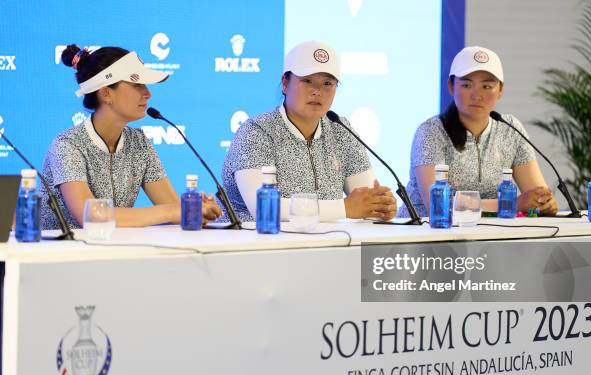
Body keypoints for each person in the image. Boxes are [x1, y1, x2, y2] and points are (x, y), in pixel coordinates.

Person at [40, 45, 221, 229]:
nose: (148, 94)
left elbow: (175, 210)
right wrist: (174, 211)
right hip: (60, 254)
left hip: (114, 252)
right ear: (106, 93)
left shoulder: (139, 142)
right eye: (137, 85)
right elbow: (92, 217)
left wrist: (196, 210)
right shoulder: (67, 145)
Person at [221, 41, 396, 222]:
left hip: (324, 243)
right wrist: (344, 208)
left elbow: (367, 199)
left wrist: (381, 206)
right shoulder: (256, 132)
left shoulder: (341, 130)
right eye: (307, 81)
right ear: (285, 84)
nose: (317, 91)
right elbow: (264, 209)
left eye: (327, 83)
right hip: (252, 245)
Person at [399, 46, 558, 218]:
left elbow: (536, 195)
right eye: (467, 85)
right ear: (451, 87)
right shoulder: (431, 132)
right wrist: (512, 203)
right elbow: (438, 206)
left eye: (487, 86)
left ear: (500, 90)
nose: (477, 95)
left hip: (486, 237)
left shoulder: (510, 129)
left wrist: (543, 203)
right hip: (425, 236)